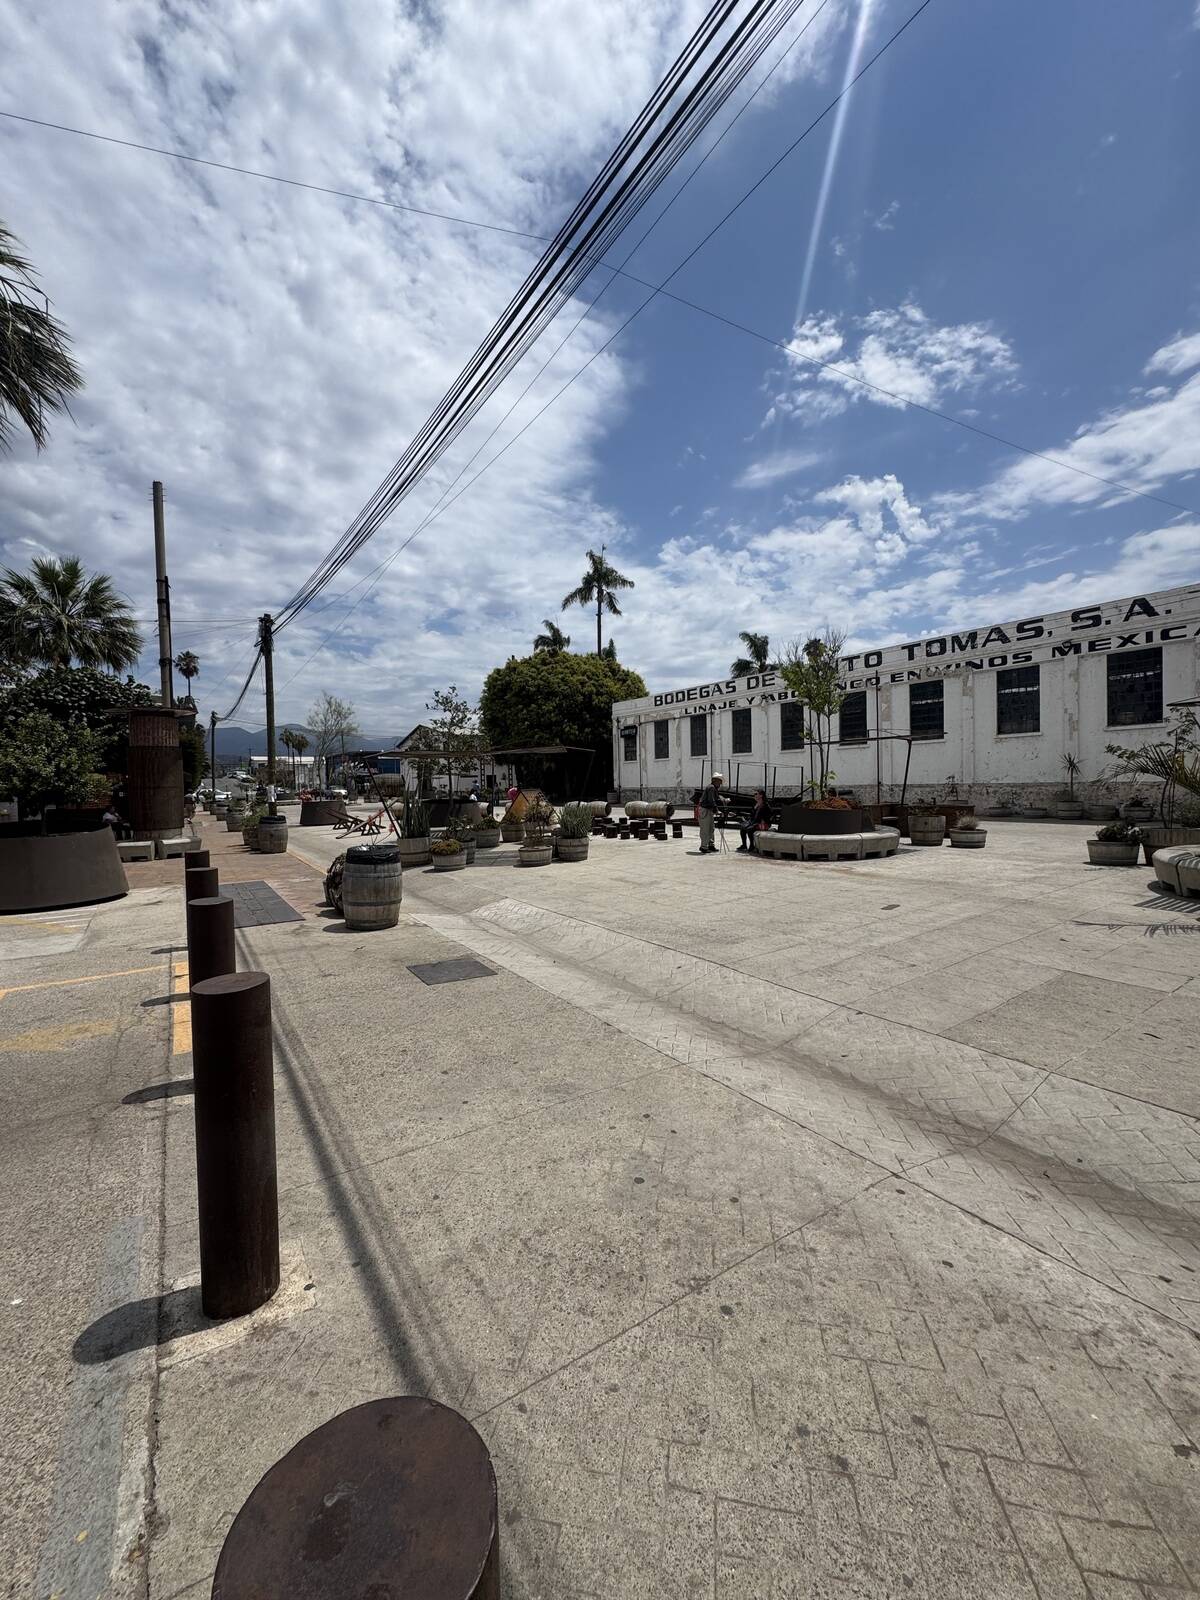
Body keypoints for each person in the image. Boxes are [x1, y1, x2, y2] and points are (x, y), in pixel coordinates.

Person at [697, 772, 726, 854]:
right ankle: (704, 846)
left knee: (711, 828)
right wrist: (717, 810)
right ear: (714, 780)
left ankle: (710, 845)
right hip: (705, 810)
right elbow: (711, 800)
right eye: (719, 781)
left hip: (708, 810)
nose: (721, 783)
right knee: (706, 829)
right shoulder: (711, 788)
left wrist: (724, 800)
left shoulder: (713, 788)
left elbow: (716, 799)